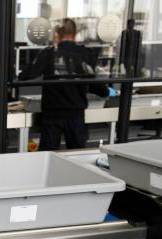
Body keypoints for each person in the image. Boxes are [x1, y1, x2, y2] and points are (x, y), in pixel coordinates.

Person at [18, 19, 110, 150]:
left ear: (57, 33)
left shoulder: (48, 53)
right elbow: (95, 84)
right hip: (76, 115)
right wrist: (106, 92)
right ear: (75, 33)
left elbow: (25, 76)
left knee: (47, 156)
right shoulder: (84, 54)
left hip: (52, 115)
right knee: (77, 156)